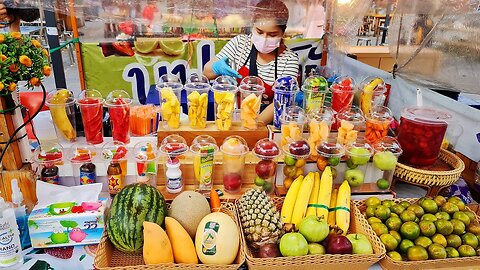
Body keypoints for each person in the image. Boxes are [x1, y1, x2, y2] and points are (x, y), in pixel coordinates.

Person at [203, 0, 299, 125]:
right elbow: (206, 73)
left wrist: (253, 124)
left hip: (265, 125)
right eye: (259, 32)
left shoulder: (290, 60)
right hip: (234, 120)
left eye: (272, 34)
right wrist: (216, 67)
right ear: (253, 26)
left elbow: (281, 101)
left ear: (283, 33)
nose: (264, 39)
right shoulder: (240, 44)